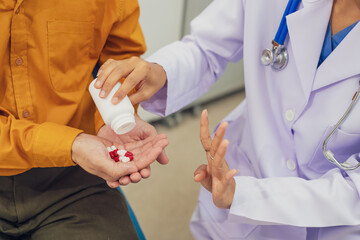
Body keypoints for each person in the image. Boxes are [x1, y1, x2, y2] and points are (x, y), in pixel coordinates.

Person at [95, 0, 360, 239]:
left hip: (332, 222)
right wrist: (160, 71)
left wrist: (243, 195)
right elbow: (206, 47)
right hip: (240, 178)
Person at [0, 0, 168, 239]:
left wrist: (109, 119)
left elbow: (118, 61)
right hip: (72, 149)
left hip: (72, 179)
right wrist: (70, 145)